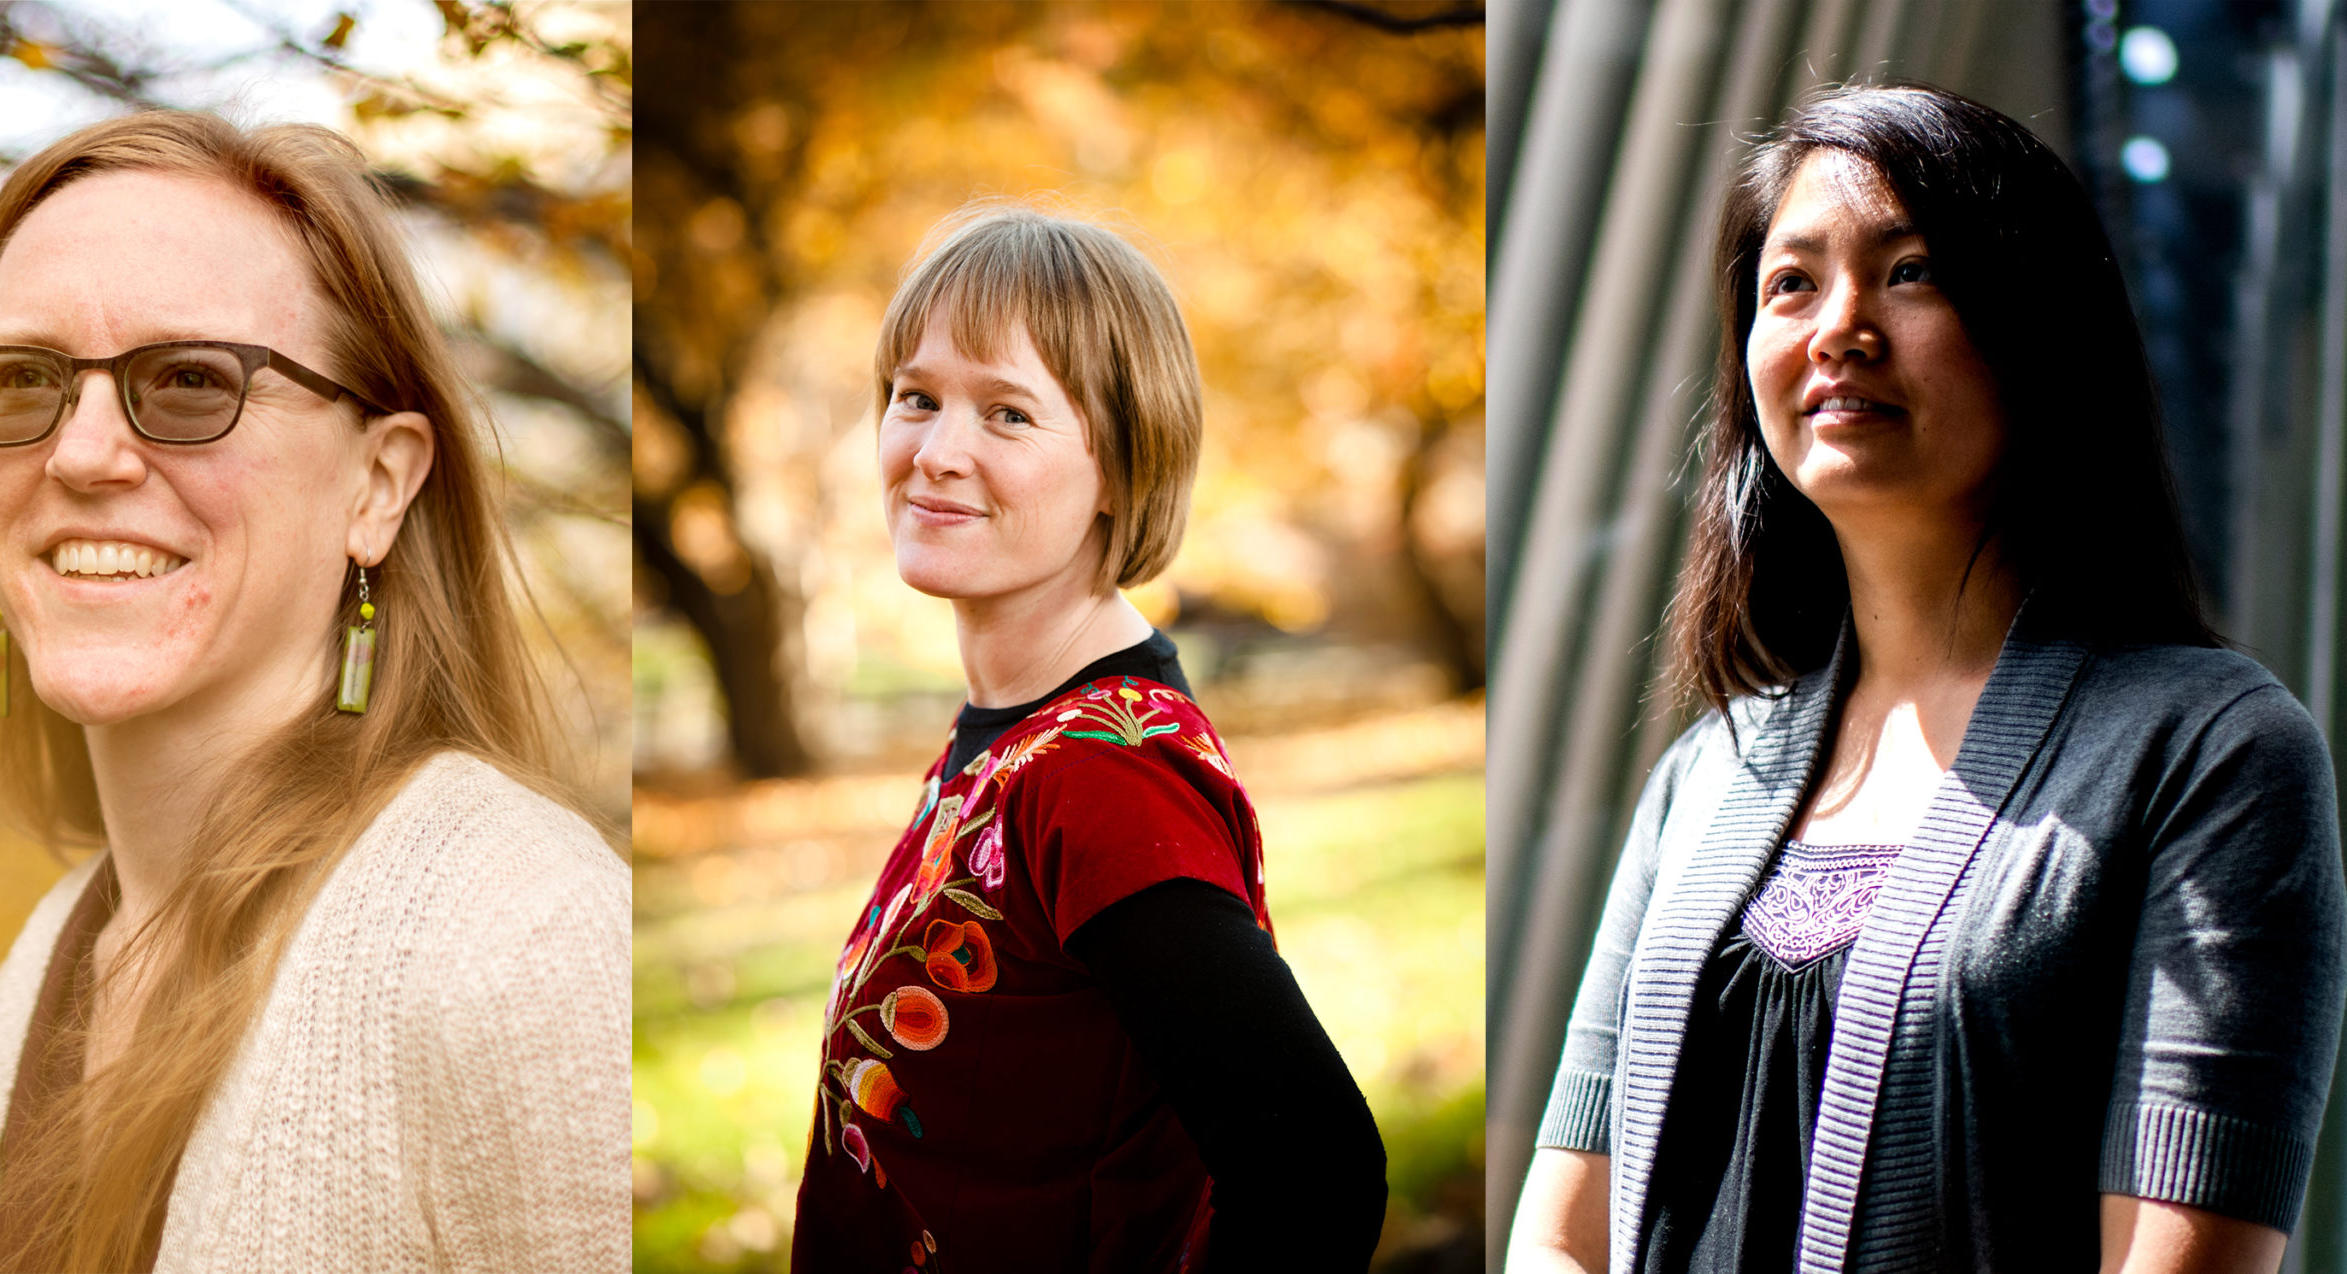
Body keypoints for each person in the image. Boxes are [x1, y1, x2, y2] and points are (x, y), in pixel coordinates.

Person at [1508, 84, 2346, 1274]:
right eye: (1790, 282)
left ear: (2041, 331)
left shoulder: (2210, 751)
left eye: (1910, 272)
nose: (1838, 326)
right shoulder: (1709, 771)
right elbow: (1557, 1233)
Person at [0, 112, 630, 1272]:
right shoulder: (40, 964)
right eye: (21, 379)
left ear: (378, 483)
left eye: (193, 378)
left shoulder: (523, 941)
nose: (81, 453)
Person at [789, 205, 1388, 1272]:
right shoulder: (1014, 735)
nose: (935, 451)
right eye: (916, 397)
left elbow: (1316, 1167)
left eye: (1007, 414)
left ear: (1118, 461)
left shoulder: (1098, 775)